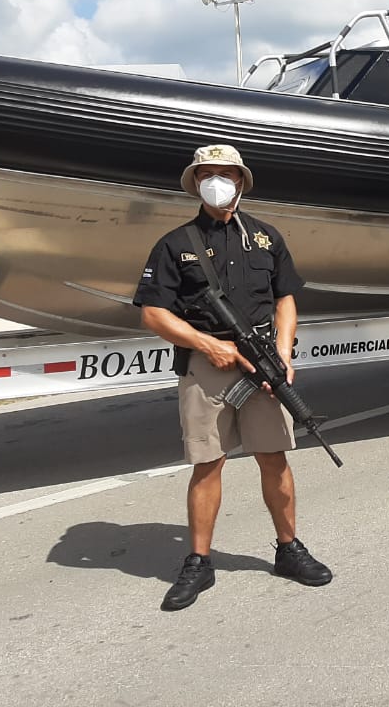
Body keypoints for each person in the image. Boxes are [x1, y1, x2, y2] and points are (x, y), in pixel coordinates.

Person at [134, 144, 332, 611]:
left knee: (274, 459)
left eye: (227, 174)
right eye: (208, 174)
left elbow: (286, 299)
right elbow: (153, 314)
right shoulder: (175, 244)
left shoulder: (266, 237)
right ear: (196, 182)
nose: (218, 182)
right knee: (208, 463)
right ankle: (199, 562)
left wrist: (282, 354)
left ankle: (289, 549)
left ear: (242, 182)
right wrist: (209, 345)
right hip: (208, 365)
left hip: (261, 359)